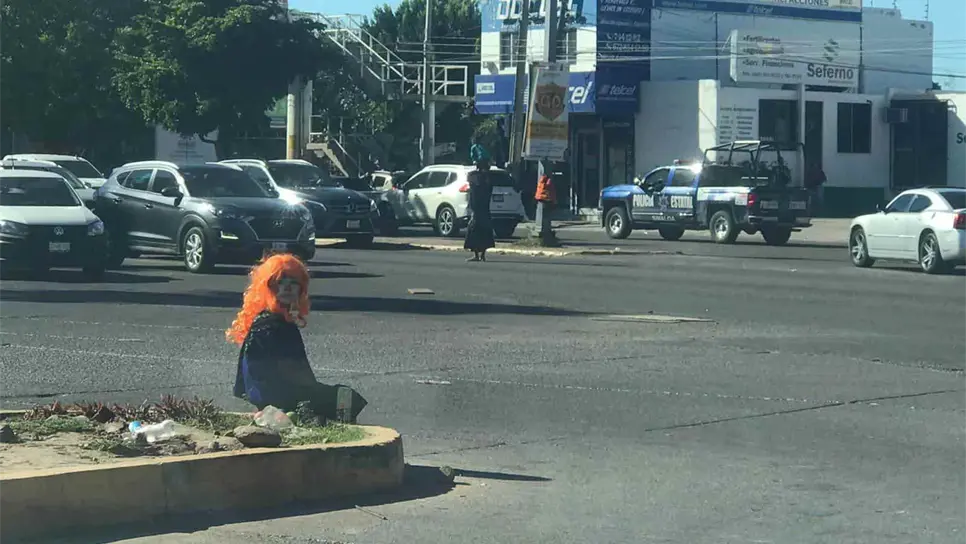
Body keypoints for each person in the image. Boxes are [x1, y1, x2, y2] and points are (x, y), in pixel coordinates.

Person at [228, 253, 367, 423]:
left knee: (339, 397)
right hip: (280, 397)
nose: (287, 288)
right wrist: (311, 392)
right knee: (344, 397)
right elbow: (279, 372)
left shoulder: (274, 320)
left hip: (277, 394)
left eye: (293, 283)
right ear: (269, 286)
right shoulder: (271, 325)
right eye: (280, 282)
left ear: (301, 288)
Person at [463, 144, 496, 262]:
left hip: (477, 209)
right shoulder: (487, 177)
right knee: (484, 231)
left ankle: (478, 255)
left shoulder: (474, 176)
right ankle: (481, 255)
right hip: (484, 209)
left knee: (475, 231)